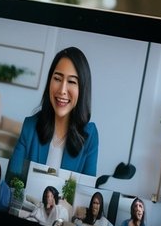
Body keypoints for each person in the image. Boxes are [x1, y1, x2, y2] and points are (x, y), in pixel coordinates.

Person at [10, 46, 99, 178]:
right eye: (57, 79)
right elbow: (12, 179)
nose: (62, 90)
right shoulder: (30, 126)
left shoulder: (90, 135)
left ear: (82, 89)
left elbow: (85, 193)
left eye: (71, 81)